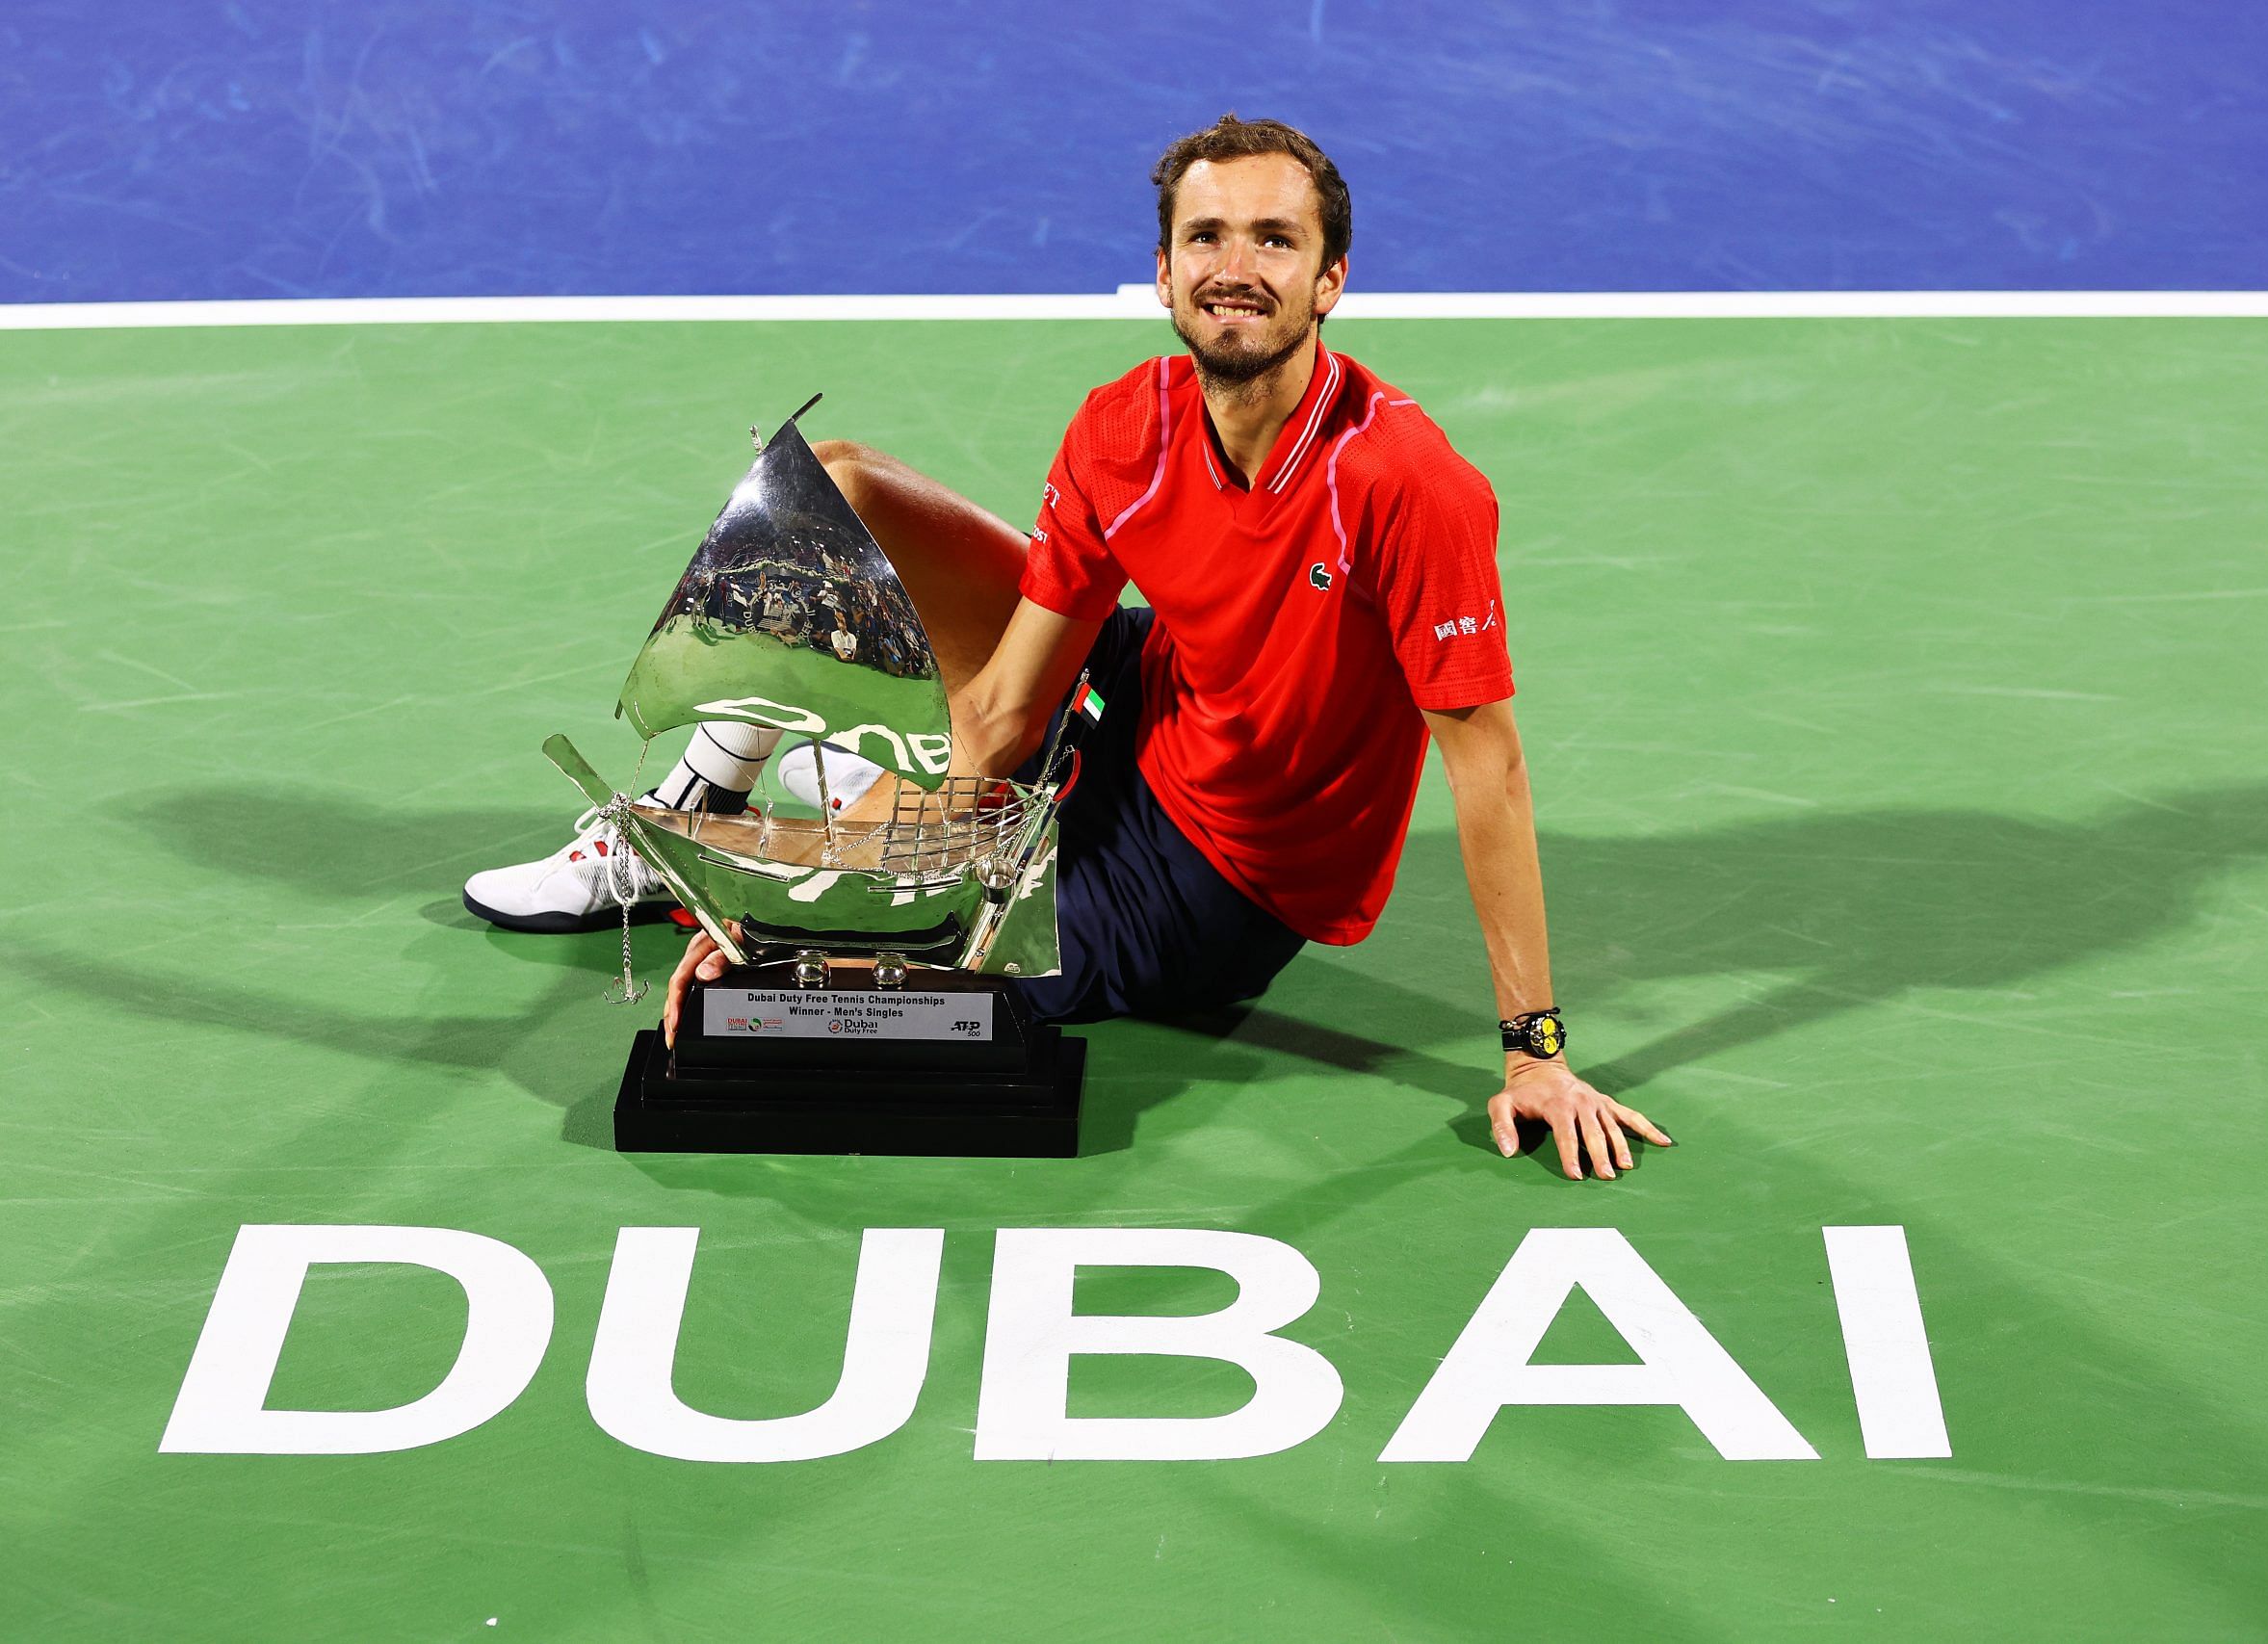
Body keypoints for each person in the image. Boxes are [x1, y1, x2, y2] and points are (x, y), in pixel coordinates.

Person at [465, 115, 1668, 1181]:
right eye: (1205, 238)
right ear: (1162, 270)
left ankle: (792, 817)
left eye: (1273, 241)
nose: (1234, 269)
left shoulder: (1405, 485)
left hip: (1217, 875)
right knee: (837, 497)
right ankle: (686, 815)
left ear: (1331, 279)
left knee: (815, 994)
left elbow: (1489, 771)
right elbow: (1006, 709)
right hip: (1150, 693)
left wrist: (1534, 1054)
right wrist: (819, 909)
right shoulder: (1123, 427)